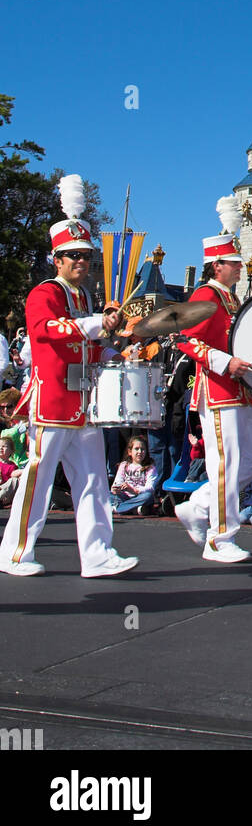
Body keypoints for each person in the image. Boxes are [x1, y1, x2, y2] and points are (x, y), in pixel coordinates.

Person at [0, 200, 138, 578]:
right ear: (56, 259)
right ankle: (14, 553)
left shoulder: (85, 298)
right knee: (38, 479)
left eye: (85, 255)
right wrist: (95, 325)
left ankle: (97, 555)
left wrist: (116, 350)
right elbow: (46, 330)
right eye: (73, 255)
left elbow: (88, 345)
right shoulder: (44, 293)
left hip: (85, 403)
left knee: (94, 481)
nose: (81, 261)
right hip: (53, 402)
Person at [175, 233, 252, 564]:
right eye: (234, 263)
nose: (240, 268)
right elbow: (186, 340)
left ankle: (198, 505)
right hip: (216, 390)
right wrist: (224, 362)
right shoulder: (205, 295)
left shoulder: (230, 298)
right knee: (225, 463)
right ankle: (219, 538)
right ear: (217, 266)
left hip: (240, 390)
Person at [110, 434, 159, 516]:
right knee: (108, 494)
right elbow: (117, 482)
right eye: (136, 449)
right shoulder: (124, 465)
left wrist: (133, 490)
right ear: (130, 452)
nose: (140, 452)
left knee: (148, 496)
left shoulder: (150, 468)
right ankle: (135, 509)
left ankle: (118, 509)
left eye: (142, 449)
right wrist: (115, 489)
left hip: (139, 497)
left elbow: (150, 488)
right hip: (124, 497)